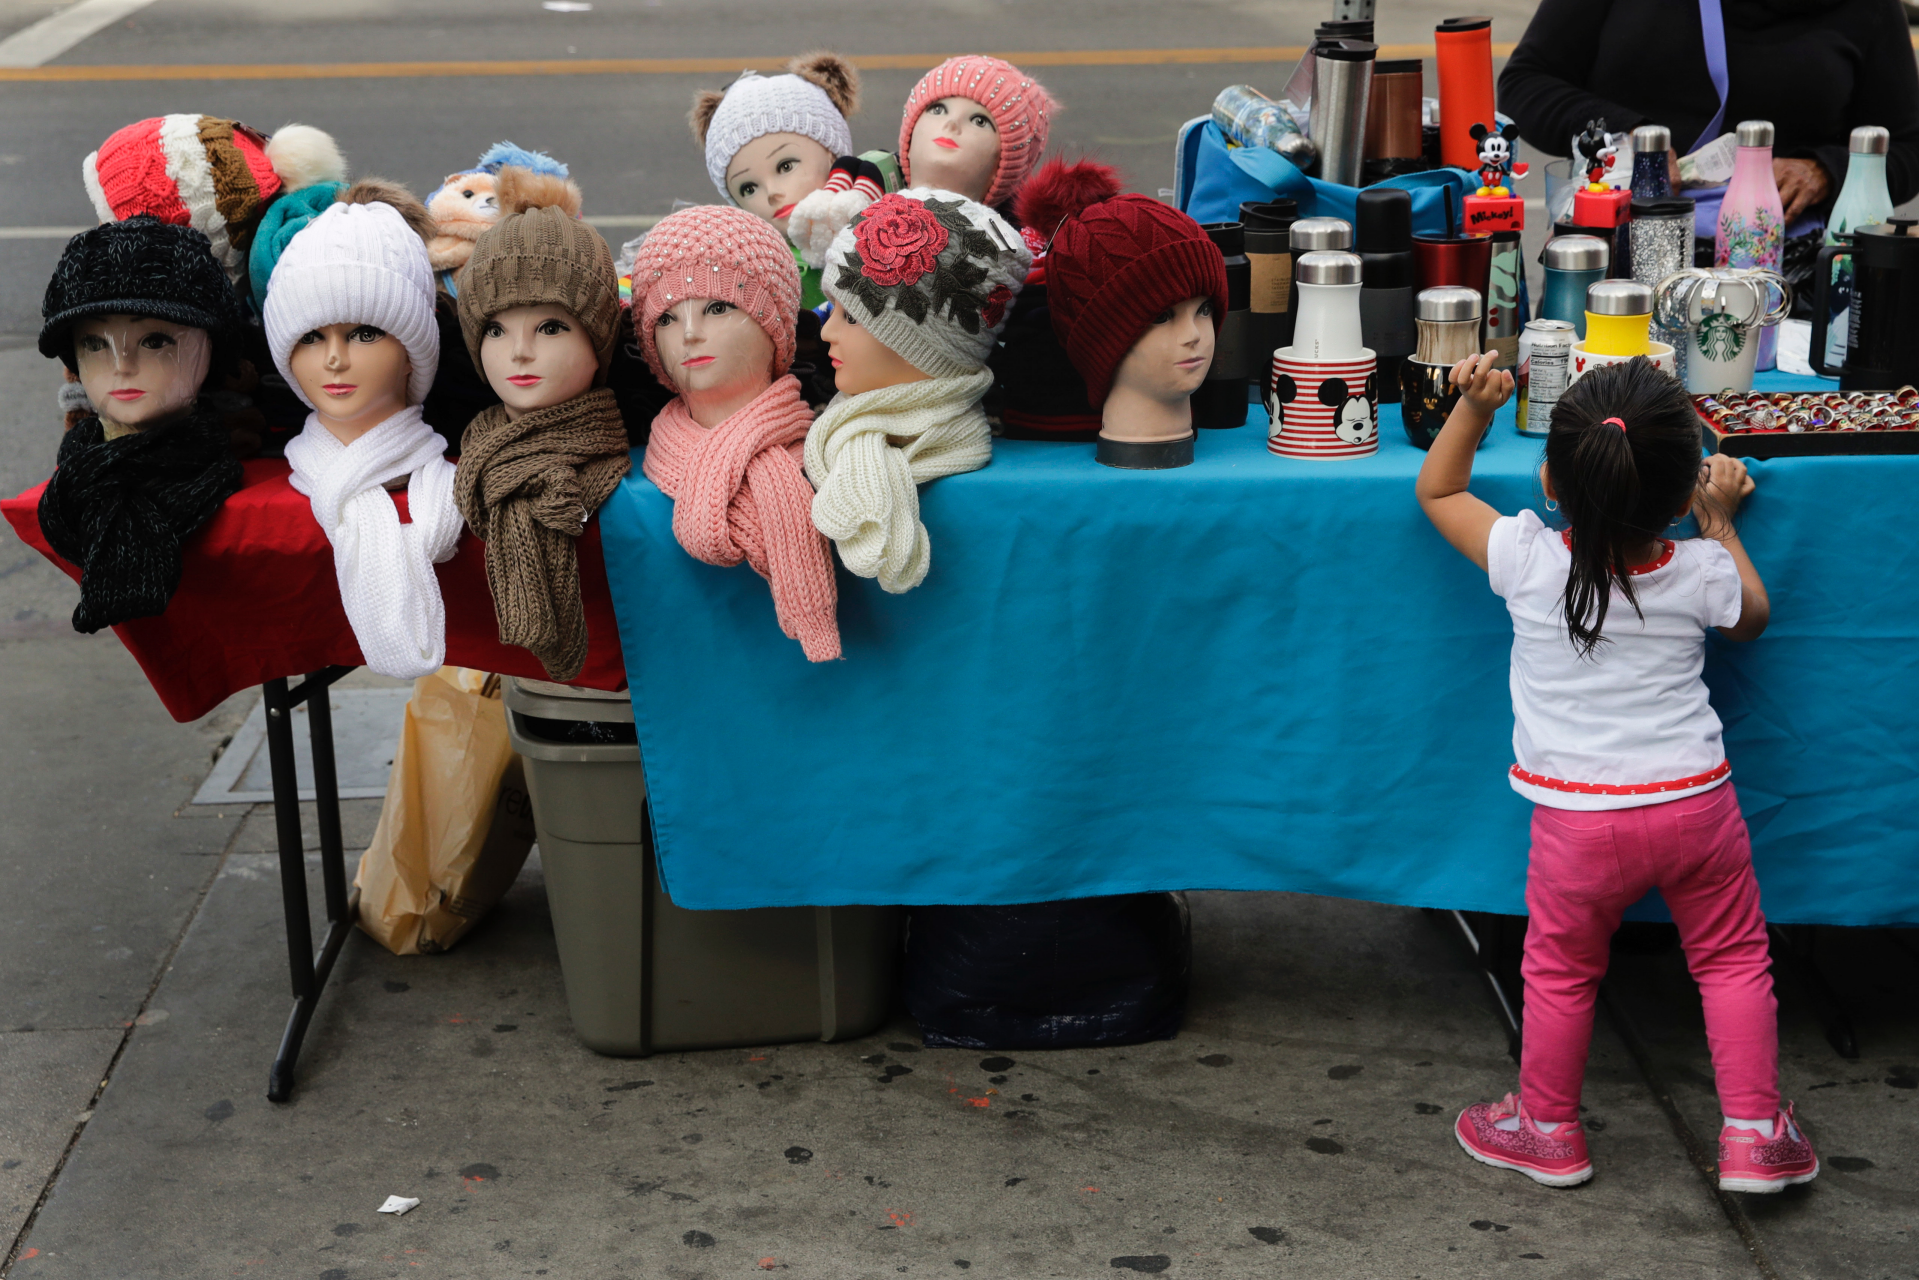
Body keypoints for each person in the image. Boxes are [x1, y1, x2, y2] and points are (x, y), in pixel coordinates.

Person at [1414, 354, 1819, 1193]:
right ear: (1678, 497)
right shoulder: (1699, 567)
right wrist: (1718, 524)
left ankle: (1547, 1130)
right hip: (1697, 808)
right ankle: (1753, 1137)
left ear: (1550, 482)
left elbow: (1439, 492)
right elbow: (1751, 619)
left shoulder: (1525, 559)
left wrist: (1476, 408)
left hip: (1577, 823)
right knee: (1731, 961)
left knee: (1561, 974)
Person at [1498, 0, 1919, 222]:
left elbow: (1907, 146)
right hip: (1621, 257)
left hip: (1788, 274)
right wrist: (1628, 136)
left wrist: (1825, 171)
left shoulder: (1868, 9)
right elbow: (1525, 82)